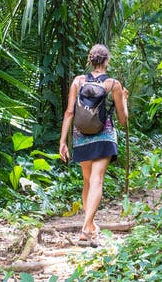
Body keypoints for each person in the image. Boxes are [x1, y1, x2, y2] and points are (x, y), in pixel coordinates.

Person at [59, 44, 129, 247]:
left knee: (88, 181)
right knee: (97, 181)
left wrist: (63, 141)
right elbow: (123, 120)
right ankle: (86, 228)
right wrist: (124, 100)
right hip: (104, 135)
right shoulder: (113, 84)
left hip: (81, 136)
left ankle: (88, 226)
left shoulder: (78, 82)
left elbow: (69, 113)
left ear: (90, 60)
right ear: (107, 61)